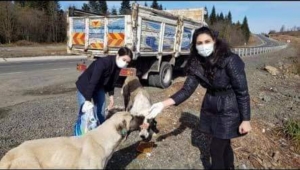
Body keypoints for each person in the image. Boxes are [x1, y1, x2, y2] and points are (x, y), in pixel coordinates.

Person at [147, 27, 252, 169]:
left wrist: (246, 120)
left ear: (214, 41)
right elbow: (186, 90)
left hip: (229, 106)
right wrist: (162, 104)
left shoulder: (230, 60)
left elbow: (242, 91)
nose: (203, 46)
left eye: (207, 41)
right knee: (224, 144)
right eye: (199, 43)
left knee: (215, 148)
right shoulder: (196, 63)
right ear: (195, 46)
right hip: (210, 104)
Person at [76, 47, 133, 125]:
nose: (125, 63)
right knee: (85, 114)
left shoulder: (118, 67)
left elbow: (111, 82)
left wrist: (111, 96)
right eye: (124, 60)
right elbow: (93, 81)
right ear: (118, 55)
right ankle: (81, 136)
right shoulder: (103, 63)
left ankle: (100, 132)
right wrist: (87, 100)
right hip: (85, 86)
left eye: (127, 62)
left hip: (99, 87)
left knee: (101, 113)